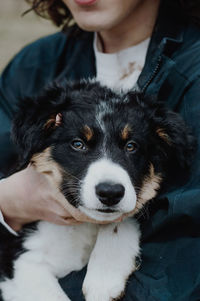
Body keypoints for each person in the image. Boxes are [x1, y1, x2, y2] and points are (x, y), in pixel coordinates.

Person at [0, 0, 200, 300]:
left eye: (131, 146)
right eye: (79, 144)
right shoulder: (33, 66)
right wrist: (9, 202)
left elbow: (179, 270)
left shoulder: (193, 76)